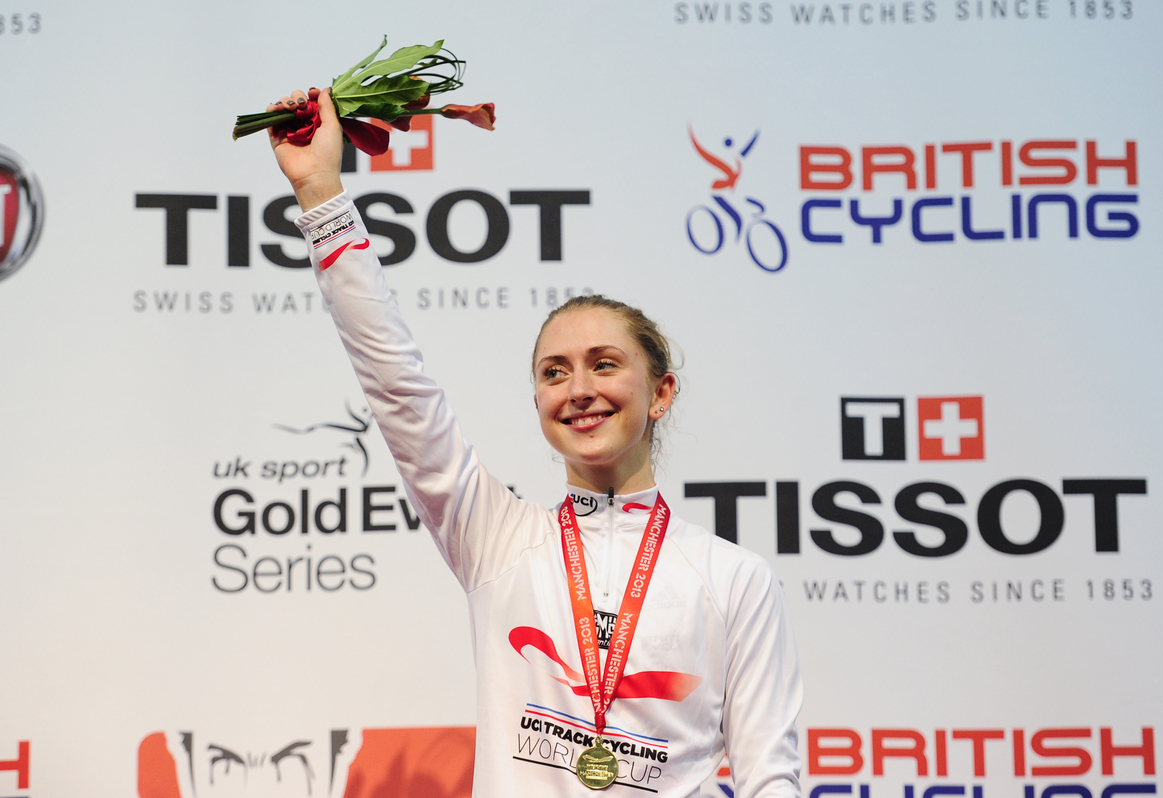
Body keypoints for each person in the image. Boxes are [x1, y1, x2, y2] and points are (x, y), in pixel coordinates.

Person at [267, 87, 803, 797]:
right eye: (555, 373)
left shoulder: (736, 580)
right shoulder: (497, 540)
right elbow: (397, 385)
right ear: (539, 402)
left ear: (661, 394)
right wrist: (322, 194)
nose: (578, 389)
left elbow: (774, 782)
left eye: (604, 365)